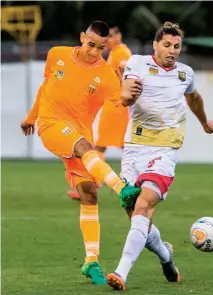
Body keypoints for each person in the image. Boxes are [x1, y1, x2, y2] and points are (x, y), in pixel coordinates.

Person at [20, 21, 141, 285]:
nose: (94, 52)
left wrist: (130, 92)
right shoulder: (57, 55)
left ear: (105, 46)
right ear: (81, 37)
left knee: (88, 192)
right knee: (87, 148)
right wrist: (31, 118)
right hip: (51, 125)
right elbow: (45, 87)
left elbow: (122, 99)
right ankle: (121, 189)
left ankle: (91, 261)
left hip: (79, 133)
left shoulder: (107, 75)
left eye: (100, 48)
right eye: (90, 45)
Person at [106, 21, 213, 291]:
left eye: (177, 46)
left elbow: (194, 99)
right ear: (156, 45)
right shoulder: (137, 62)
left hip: (165, 151)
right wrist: (126, 96)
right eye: (167, 45)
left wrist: (205, 123)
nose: (172, 51)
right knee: (135, 213)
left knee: (143, 206)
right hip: (134, 149)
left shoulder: (185, 73)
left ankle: (121, 273)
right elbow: (126, 93)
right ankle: (165, 255)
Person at [68, 25, 132, 200]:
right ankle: (124, 183)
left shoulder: (121, 53)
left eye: (112, 36)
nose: (108, 40)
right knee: (119, 146)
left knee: (108, 147)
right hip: (114, 107)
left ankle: (94, 186)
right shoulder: (115, 53)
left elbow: (127, 74)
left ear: (119, 36)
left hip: (117, 108)